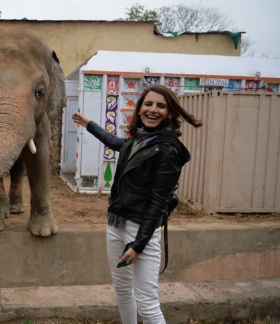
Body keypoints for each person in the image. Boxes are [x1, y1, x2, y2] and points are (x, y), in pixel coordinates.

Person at [72, 84, 202, 323]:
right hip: (116, 222)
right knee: (122, 288)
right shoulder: (138, 140)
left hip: (141, 230)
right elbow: (116, 142)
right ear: (140, 108)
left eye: (161, 106)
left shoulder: (168, 149)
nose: (153, 110)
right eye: (148, 104)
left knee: (147, 304)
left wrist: (139, 245)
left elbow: (157, 203)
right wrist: (88, 123)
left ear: (170, 113)